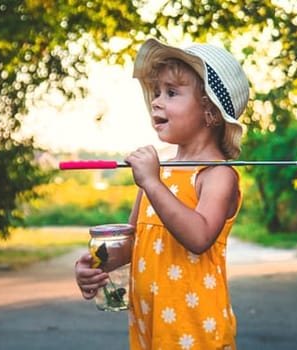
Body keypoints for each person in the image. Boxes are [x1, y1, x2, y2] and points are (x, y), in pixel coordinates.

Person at [73, 38, 252, 349]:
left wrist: (153, 183)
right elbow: (132, 243)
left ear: (209, 110)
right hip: (150, 327)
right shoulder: (160, 172)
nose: (156, 101)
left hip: (195, 330)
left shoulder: (217, 176)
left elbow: (199, 237)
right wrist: (96, 265)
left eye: (171, 93)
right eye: (156, 92)